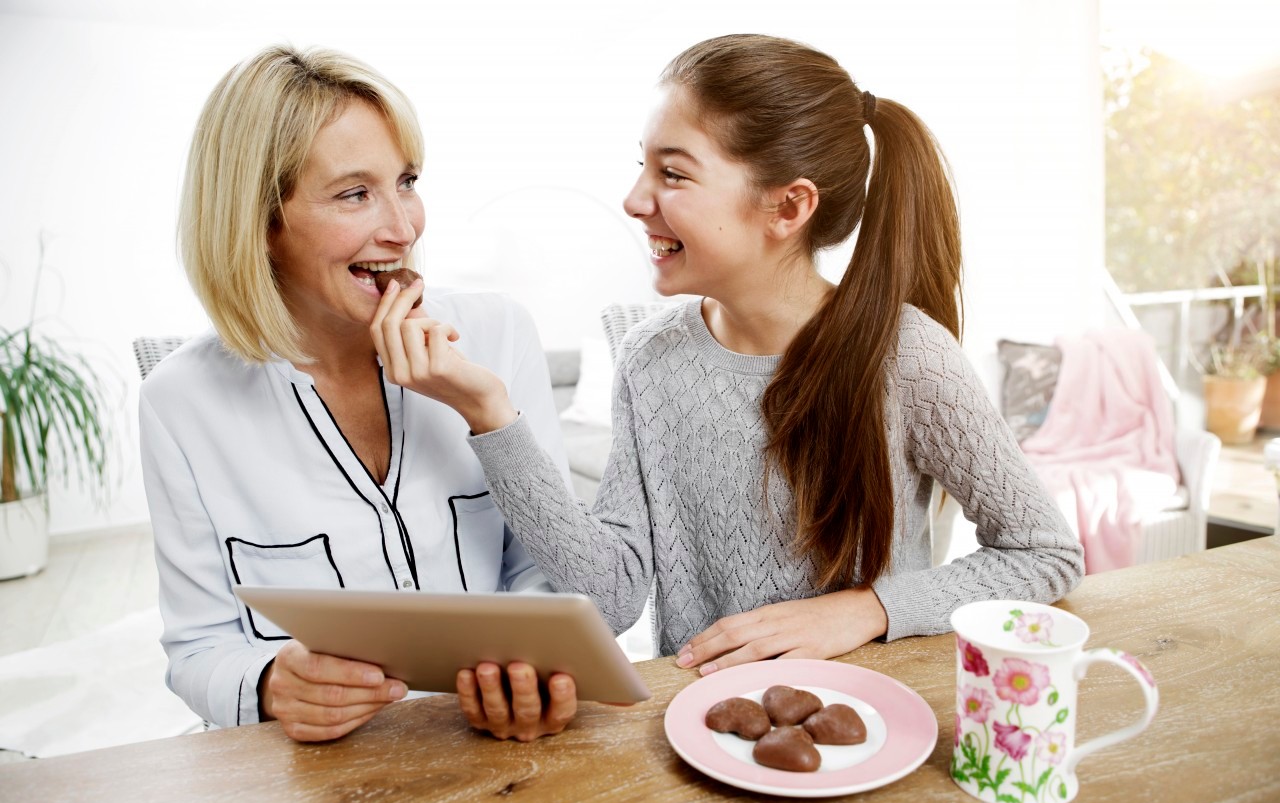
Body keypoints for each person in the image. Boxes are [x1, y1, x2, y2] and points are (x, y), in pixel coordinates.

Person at [373, 34, 1085, 674]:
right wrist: (490, 412)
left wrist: (867, 608)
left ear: (788, 208)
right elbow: (614, 595)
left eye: (673, 175)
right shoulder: (650, 358)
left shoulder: (905, 356)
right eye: (642, 167)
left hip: (868, 731)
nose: (633, 199)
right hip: (701, 740)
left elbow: (1044, 552)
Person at [140, 45, 578, 742]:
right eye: (354, 194)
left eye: (406, 181)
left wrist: (529, 668)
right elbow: (198, 651)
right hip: (323, 785)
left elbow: (554, 571)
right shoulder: (180, 401)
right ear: (260, 222)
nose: (403, 228)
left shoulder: (496, 334)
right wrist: (271, 684)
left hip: (498, 751)